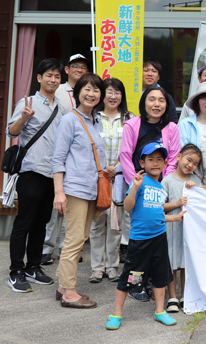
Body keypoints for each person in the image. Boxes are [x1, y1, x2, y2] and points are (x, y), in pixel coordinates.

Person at [105, 143, 186, 330]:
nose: (155, 163)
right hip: (140, 239)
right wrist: (134, 187)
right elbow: (127, 206)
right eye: (151, 159)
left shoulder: (161, 187)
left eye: (159, 159)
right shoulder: (139, 182)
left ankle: (159, 311)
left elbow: (157, 213)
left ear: (166, 163)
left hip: (159, 238)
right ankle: (116, 314)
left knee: (160, 276)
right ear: (142, 162)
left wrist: (176, 217)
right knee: (130, 276)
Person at [6, 58, 65, 293]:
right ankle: (16, 271)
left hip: (53, 174)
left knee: (42, 223)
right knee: (24, 222)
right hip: (31, 171)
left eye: (57, 76)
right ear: (39, 78)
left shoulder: (61, 107)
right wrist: (24, 118)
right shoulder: (27, 102)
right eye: (49, 75)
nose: (53, 79)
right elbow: (12, 132)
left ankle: (33, 267)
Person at [52, 72, 107, 308]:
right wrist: (59, 192)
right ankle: (69, 293)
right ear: (78, 92)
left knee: (81, 238)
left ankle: (63, 286)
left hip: (91, 189)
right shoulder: (69, 120)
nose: (91, 93)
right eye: (87, 88)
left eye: (96, 90)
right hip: (75, 189)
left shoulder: (95, 120)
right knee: (74, 240)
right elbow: (57, 158)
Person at [44, 53, 89, 265]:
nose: (80, 70)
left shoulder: (87, 93)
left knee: (71, 207)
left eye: (83, 67)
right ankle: (46, 248)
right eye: (76, 66)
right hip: (58, 153)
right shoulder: (58, 90)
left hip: (78, 158)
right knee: (56, 204)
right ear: (67, 69)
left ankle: (67, 249)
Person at [89, 77, 132, 284]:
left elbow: (133, 150)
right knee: (97, 223)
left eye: (117, 92)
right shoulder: (93, 117)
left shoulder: (130, 119)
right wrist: (105, 168)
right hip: (98, 177)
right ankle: (97, 267)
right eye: (109, 92)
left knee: (116, 224)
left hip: (121, 179)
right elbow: (88, 147)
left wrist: (119, 168)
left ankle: (112, 266)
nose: (113, 96)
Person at [162, 143, 203, 313]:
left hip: (189, 230)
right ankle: (172, 296)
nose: (190, 165)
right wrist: (177, 203)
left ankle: (186, 294)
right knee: (172, 262)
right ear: (178, 157)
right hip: (172, 228)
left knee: (186, 262)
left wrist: (196, 192)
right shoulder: (168, 180)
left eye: (195, 164)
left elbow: (202, 203)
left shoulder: (195, 180)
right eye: (188, 159)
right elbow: (160, 206)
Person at [120, 85, 181, 186]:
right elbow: (125, 156)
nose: (157, 104)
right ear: (143, 103)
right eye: (152, 100)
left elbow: (173, 158)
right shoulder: (131, 125)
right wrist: (135, 184)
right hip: (137, 184)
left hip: (162, 185)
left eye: (161, 100)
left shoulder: (172, 128)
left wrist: (164, 185)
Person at [142, 58, 179, 124]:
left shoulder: (166, 97)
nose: (150, 74)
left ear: (158, 76)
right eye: (146, 70)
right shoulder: (131, 96)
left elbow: (172, 122)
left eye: (154, 71)